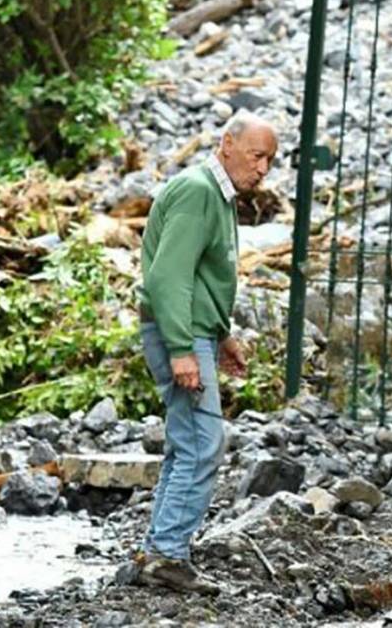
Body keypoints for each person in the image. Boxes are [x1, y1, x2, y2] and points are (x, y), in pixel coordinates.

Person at [135, 112, 277, 593]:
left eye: (270, 161)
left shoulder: (214, 193)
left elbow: (197, 277)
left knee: (187, 443)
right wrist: (182, 348)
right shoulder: (199, 191)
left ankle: (159, 551)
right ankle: (167, 555)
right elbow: (166, 276)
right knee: (203, 444)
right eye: (257, 156)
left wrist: (220, 334)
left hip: (193, 331)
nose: (263, 169)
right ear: (226, 145)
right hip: (179, 334)